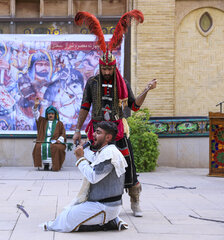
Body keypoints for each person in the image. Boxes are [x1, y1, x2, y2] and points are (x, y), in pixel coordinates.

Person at [73, 10, 157, 217]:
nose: (108, 73)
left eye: (111, 69)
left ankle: (135, 199)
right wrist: (77, 130)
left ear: (114, 67)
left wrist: (146, 90)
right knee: (95, 166)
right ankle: (91, 200)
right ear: (101, 67)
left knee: (128, 165)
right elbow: (84, 107)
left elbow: (134, 106)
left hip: (118, 130)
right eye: (105, 69)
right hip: (98, 131)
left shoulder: (122, 83)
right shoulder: (92, 83)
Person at [42, 121, 128, 232]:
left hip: (106, 206)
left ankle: (108, 223)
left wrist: (80, 158)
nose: (93, 135)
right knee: (67, 209)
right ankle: (111, 220)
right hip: (102, 203)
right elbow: (93, 158)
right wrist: (84, 149)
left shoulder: (110, 154)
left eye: (98, 132)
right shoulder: (106, 151)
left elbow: (93, 177)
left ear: (108, 137)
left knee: (66, 219)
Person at [32, 98, 66, 171]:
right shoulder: (43, 121)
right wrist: (35, 106)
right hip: (43, 140)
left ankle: (55, 165)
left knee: (57, 148)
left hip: (55, 141)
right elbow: (36, 115)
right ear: (47, 115)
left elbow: (63, 133)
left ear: (55, 115)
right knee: (39, 146)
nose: (50, 115)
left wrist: (60, 140)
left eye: (52, 114)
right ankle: (46, 165)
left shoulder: (59, 123)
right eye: (49, 114)